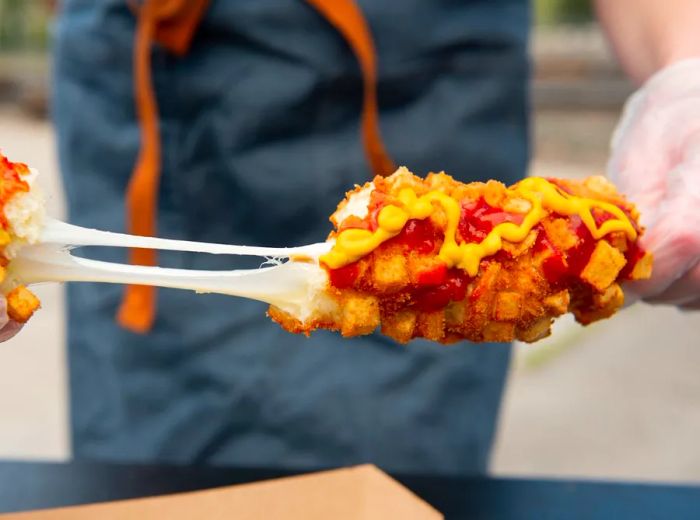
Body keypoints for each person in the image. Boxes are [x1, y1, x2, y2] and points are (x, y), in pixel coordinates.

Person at [42, 0, 699, 474]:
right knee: (145, 484)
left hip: (428, 84)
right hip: (151, 97)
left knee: (398, 476)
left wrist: (687, 71)